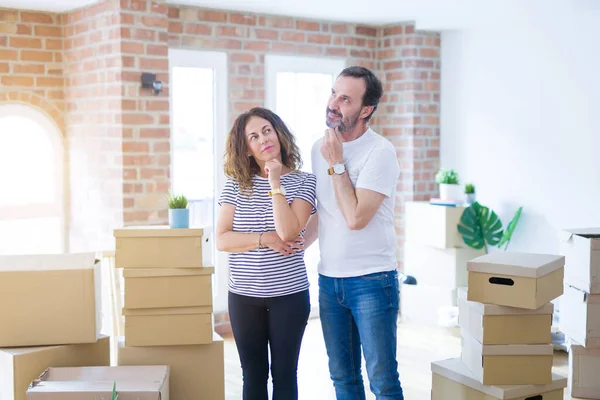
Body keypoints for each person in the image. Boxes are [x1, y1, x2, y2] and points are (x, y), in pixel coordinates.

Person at [307, 66, 404, 399]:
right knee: (342, 378)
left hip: (372, 282)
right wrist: (289, 245)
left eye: (345, 99)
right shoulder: (319, 148)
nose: (334, 103)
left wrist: (337, 163)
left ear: (366, 110)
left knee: (383, 380)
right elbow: (324, 213)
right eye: (334, 93)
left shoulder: (381, 153)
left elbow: (355, 217)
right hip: (329, 281)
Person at [215, 107, 317, 400]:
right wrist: (263, 239)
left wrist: (275, 182)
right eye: (254, 137)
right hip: (244, 298)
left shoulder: (303, 181)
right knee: (253, 376)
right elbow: (222, 239)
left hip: (290, 296)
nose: (263, 140)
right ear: (246, 148)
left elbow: (287, 232)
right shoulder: (236, 186)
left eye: (267, 131)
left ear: (279, 133)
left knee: (285, 375)